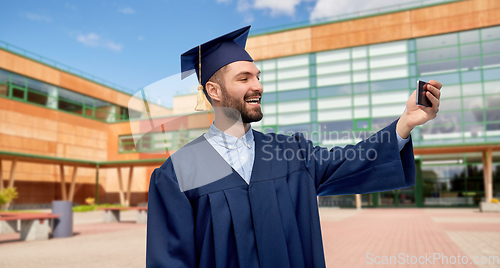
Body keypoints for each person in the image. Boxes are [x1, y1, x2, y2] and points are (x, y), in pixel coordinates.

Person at [146, 26, 441, 268]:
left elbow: (352, 160)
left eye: (258, 77)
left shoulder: (292, 153)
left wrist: (404, 123)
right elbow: (170, 261)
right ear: (214, 91)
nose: (257, 86)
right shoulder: (178, 173)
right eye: (244, 78)